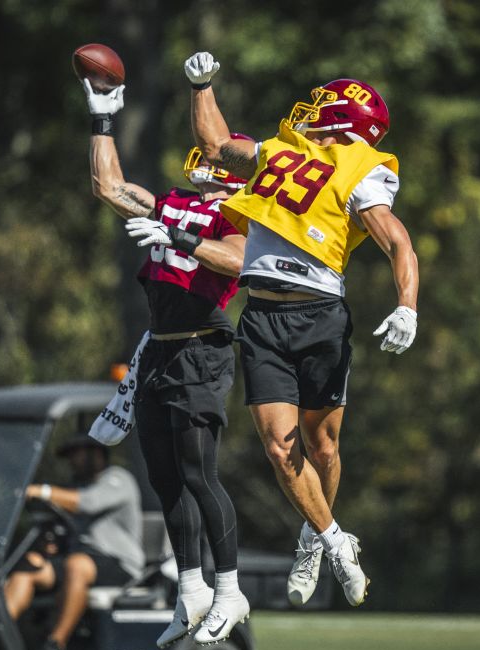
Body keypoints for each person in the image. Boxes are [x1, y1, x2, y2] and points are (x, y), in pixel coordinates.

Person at [183, 52, 421, 610]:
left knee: (323, 446)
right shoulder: (280, 151)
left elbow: (397, 240)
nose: (310, 111)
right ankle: (336, 540)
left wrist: (407, 304)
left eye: (323, 107)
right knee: (277, 446)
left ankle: (312, 539)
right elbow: (219, 147)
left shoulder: (363, 167)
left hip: (319, 315)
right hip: (262, 315)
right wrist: (202, 86)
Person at [80, 76, 253, 645]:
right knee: (165, 478)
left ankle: (230, 591)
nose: (203, 162)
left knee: (201, 473)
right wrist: (103, 118)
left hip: (202, 344)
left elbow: (237, 260)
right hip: (159, 344)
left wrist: (176, 237)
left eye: (214, 156)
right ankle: (191, 589)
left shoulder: (242, 211)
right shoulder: (175, 202)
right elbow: (109, 187)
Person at [2, 434, 144, 650]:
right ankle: (1, 636)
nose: (71, 462)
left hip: (119, 563)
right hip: (79, 562)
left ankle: (55, 646)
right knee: (31, 564)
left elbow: (87, 503)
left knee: (77, 564)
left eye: (75, 456)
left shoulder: (118, 479)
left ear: (95, 453)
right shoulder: (74, 486)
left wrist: (43, 491)